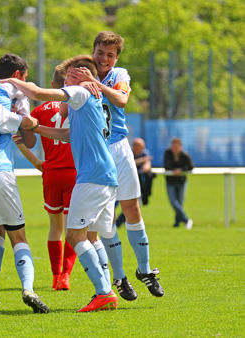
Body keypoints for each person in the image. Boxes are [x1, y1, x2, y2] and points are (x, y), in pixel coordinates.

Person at [1, 54, 119, 312]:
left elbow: (37, 92)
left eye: (66, 80)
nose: (62, 87)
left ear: (79, 78)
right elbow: (66, 134)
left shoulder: (80, 92)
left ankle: (104, 292)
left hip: (92, 177)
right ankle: (106, 289)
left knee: (75, 235)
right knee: (91, 236)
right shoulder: (88, 102)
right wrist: (35, 127)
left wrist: (7, 80)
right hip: (104, 176)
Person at [69, 31, 164, 301]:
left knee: (132, 207)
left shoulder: (118, 75)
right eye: (100, 53)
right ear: (93, 51)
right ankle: (119, 277)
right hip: (97, 152)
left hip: (119, 148)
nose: (105, 58)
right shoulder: (82, 74)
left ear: (117, 57)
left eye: (110, 55)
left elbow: (122, 100)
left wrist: (94, 83)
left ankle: (144, 270)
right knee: (105, 221)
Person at [0, 53, 49, 315]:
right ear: (18, 76)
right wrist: (30, 121)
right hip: (1, 170)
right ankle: (28, 288)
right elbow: (28, 139)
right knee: (18, 236)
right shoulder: (13, 91)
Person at [14, 63, 78, 291]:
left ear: (52, 86)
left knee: (55, 226)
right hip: (75, 172)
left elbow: (18, 137)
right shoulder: (79, 105)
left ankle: (55, 275)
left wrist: (36, 162)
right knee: (74, 227)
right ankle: (66, 275)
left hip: (51, 172)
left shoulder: (39, 111)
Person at [115, 137, 156, 226]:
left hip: (137, 182)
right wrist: (141, 161)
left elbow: (147, 163)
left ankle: (118, 223)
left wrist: (146, 165)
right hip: (123, 181)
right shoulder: (129, 152)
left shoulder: (144, 153)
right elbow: (129, 162)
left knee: (133, 205)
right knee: (117, 203)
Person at [164, 137, 194, 229]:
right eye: (173, 147)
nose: (175, 149)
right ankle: (186, 220)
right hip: (170, 181)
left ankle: (177, 223)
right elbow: (167, 165)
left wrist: (181, 170)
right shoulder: (168, 154)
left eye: (177, 147)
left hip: (181, 181)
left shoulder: (185, 155)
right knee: (173, 202)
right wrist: (174, 170)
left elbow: (190, 166)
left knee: (180, 202)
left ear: (180, 147)